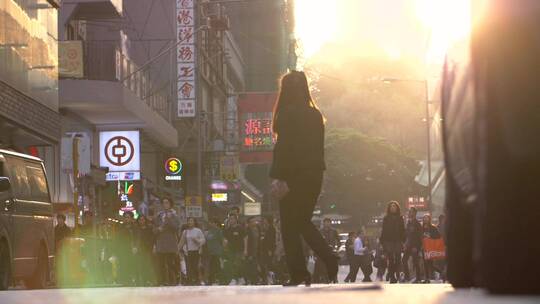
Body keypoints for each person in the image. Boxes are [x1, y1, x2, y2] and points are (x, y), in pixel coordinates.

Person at [269, 71, 338, 287]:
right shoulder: (316, 115)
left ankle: (300, 273)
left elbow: (284, 148)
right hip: (314, 176)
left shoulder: (285, 114)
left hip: (292, 176)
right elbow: (317, 150)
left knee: (289, 226)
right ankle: (328, 257)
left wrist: (278, 177)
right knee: (302, 221)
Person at [154, 197, 180, 286]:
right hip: (161, 242)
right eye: (164, 203)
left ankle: (173, 280)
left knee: (170, 263)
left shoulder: (174, 215)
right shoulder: (159, 215)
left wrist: (170, 219)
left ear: (170, 204)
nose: (165, 205)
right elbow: (154, 229)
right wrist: (158, 229)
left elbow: (176, 227)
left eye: (167, 203)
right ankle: (162, 280)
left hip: (170, 242)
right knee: (160, 263)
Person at [379, 201, 405, 284]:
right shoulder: (386, 218)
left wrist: (403, 241)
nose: (393, 207)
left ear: (397, 208)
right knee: (390, 259)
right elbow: (384, 231)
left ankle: (397, 274)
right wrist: (382, 242)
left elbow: (402, 230)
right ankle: (392, 276)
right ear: (389, 208)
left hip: (398, 241)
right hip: (388, 241)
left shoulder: (400, 218)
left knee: (398, 259)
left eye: (394, 206)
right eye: (391, 206)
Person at [179, 217, 205, 285]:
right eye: (189, 221)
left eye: (191, 221)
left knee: (195, 266)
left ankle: (196, 280)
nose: (190, 222)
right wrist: (178, 249)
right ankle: (189, 280)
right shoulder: (185, 231)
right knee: (188, 266)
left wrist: (197, 240)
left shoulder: (198, 230)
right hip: (188, 251)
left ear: (194, 222)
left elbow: (203, 240)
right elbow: (182, 241)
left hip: (196, 251)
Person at [402, 207, 423, 283]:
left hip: (414, 246)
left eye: (410, 212)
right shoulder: (408, 223)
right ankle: (407, 277)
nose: (409, 213)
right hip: (408, 246)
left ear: (414, 213)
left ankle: (418, 278)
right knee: (404, 260)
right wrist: (405, 244)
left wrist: (417, 247)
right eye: (409, 212)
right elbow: (407, 235)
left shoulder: (417, 224)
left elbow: (420, 237)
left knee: (415, 261)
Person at [224, 214, 245, 285]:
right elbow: (226, 239)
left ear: (236, 220)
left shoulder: (240, 228)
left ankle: (234, 279)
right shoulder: (228, 229)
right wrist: (225, 248)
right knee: (232, 264)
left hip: (239, 249)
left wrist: (246, 250)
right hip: (231, 249)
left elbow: (245, 238)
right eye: (230, 219)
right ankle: (240, 278)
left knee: (237, 263)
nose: (231, 220)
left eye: (232, 219)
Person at [135, 215, 156, 286]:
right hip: (140, 249)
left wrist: (153, 247)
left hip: (148, 249)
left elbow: (153, 238)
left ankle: (150, 280)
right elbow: (136, 239)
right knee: (141, 265)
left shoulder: (149, 229)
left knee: (149, 265)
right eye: (140, 220)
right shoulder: (137, 229)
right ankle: (142, 281)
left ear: (145, 220)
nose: (141, 221)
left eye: (143, 219)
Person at [422, 214, 442, 284]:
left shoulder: (433, 228)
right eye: (424, 218)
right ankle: (427, 278)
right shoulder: (421, 228)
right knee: (425, 263)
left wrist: (431, 237)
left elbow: (438, 236)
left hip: (430, 247)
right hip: (423, 247)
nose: (425, 219)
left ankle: (440, 272)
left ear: (429, 219)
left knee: (430, 264)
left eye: (427, 218)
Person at [206, 218, 224, 285]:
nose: (210, 224)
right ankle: (211, 280)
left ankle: (220, 279)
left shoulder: (219, 231)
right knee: (211, 267)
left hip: (217, 252)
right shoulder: (209, 231)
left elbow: (222, 241)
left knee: (218, 266)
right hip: (210, 252)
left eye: (212, 222)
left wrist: (222, 249)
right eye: (210, 222)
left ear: (216, 223)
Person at [259, 216, 277, 285]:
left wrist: (270, 250)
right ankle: (270, 278)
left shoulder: (271, 229)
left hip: (268, 249)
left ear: (268, 221)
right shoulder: (268, 228)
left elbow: (270, 240)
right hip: (266, 249)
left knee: (269, 264)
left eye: (265, 220)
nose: (264, 221)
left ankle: (271, 278)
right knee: (267, 264)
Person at [243, 217, 261, 285]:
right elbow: (246, 241)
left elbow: (258, 240)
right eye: (252, 221)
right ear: (249, 223)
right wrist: (247, 252)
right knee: (250, 266)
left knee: (255, 266)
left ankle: (254, 280)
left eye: (254, 221)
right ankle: (250, 280)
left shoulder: (257, 229)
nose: (254, 222)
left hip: (257, 251)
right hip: (251, 251)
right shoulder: (247, 230)